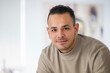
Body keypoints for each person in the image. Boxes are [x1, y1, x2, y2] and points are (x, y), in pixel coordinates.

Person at [37, 5, 110, 73]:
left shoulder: (98, 52)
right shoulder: (46, 56)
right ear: (49, 32)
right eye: (54, 30)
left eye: (65, 28)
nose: (60, 35)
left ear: (76, 29)